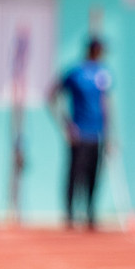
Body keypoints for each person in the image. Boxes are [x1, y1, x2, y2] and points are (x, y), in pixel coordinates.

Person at [52, 38, 111, 230]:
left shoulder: (104, 74)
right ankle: (69, 215)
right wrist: (66, 125)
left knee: (94, 176)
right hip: (79, 134)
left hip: (98, 134)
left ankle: (90, 214)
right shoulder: (75, 73)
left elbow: (106, 103)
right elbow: (52, 95)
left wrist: (109, 134)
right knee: (75, 175)